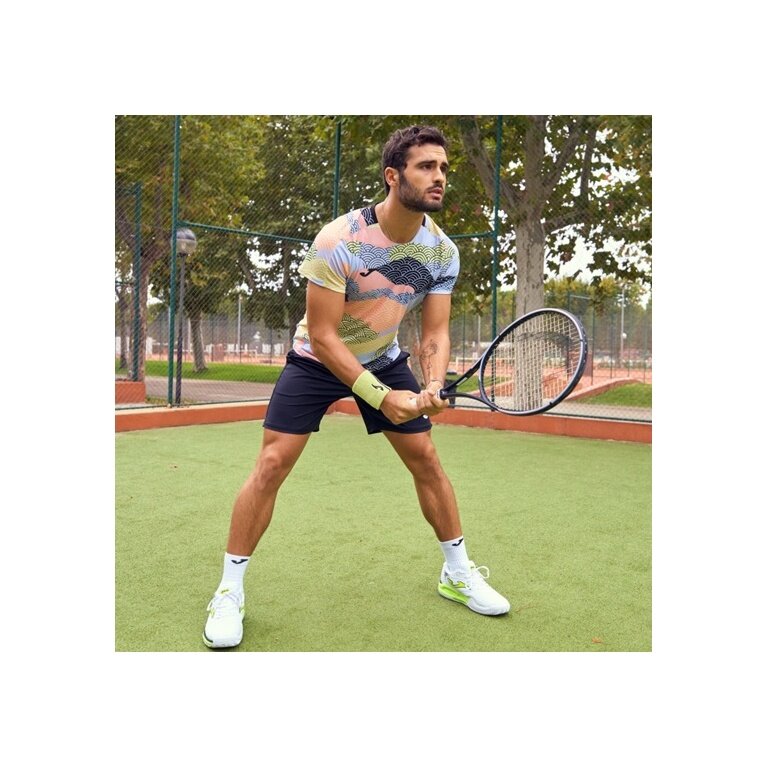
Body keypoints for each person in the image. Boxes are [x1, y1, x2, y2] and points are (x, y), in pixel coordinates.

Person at [203, 125, 510, 649]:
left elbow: (435, 332)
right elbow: (324, 336)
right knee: (272, 463)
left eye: (442, 168)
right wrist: (381, 397)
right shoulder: (339, 240)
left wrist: (433, 383)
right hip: (315, 359)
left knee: (426, 458)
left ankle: (457, 573)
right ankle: (229, 590)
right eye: (425, 167)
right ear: (393, 176)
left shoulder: (442, 252)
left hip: (384, 357)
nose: (438, 177)